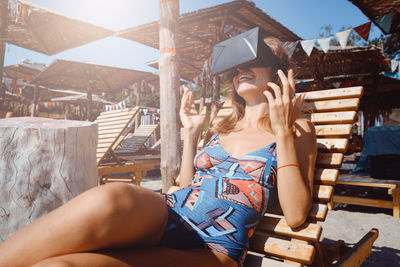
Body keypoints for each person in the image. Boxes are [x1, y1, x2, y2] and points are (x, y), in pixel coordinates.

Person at [0, 37, 316, 267]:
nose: (239, 71)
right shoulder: (222, 122)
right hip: (172, 211)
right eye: (235, 68)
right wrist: (191, 136)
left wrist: (282, 130)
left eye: (252, 62)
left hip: (211, 250)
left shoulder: (298, 129)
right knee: (110, 197)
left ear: (278, 72)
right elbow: (186, 185)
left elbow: (296, 213)